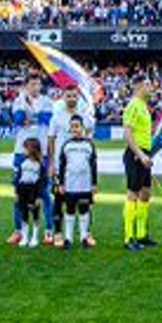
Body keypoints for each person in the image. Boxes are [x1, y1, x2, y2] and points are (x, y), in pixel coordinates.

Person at [46, 85, 96, 249]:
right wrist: (51, 163)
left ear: (78, 97)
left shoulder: (84, 116)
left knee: (85, 200)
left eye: (74, 96)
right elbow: (51, 139)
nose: (71, 99)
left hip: (81, 167)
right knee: (59, 199)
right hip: (61, 165)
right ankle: (58, 233)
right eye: (68, 96)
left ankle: (86, 234)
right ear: (64, 97)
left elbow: (90, 134)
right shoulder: (57, 117)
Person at [9, 76, 53, 245]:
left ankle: (49, 230)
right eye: (32, 84)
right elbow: (18, 119)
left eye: (38, 84)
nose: (36, 87)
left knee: (45, 193)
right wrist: (33, 115)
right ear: (26, 86)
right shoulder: (18, 100)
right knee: (19, 193)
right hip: (22, 152)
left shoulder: (47, 101)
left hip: (42, 153)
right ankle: (19, 231)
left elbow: (48, 119)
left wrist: (31, 112)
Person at [121, 78, 156, 251]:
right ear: (139, 87)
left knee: (146, 193)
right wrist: (141, 155)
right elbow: (127, 134)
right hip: (136, 154)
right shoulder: (133, 105)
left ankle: (141, 235)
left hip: (144, 154)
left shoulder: (143, 106)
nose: (151, 88)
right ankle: (129, 237)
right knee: (133, 194)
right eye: (148, 85)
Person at [56, 115, 98, 249]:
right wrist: (61, 183)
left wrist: (94, 184)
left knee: (84, 210)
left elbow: (93, 165)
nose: (75, 129)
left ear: (82, 127)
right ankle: (68, 239)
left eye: (77, 126)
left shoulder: (89, 145)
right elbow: (62, 165)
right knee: (69, 210)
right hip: (70, 184)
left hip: (85, 184)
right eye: (72, 127)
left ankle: (84, 237)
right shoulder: (66, 145)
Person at [15, 137, 46, 248]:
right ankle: (25, 237)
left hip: (33, 192)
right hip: (23, 191)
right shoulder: (23, 164)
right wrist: (17, 193)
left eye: (26, 148)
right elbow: (18, 179)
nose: (24, 151)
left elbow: (42, 182)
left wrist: (39, 196)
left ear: (32, 149)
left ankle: (34, 237)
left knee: (35, 214)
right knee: (24, 214)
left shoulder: (40, 166)